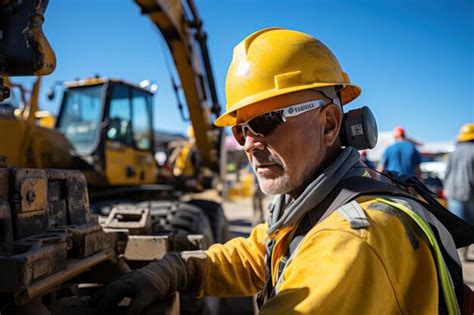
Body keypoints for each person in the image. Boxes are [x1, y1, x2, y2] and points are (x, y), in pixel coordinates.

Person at [97, 28, 466, 314]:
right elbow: (264, 249)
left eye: (265, 122)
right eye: (240, 129)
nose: (248, 143)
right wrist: (179, 269)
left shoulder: (351, 242)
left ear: (329, 124)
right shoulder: (320, 203)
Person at [444, 123, 474, 224]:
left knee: (459, 227)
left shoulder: (453, 152)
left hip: (453, 193)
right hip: (471, 194)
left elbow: (447, 173)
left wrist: (446, 189)